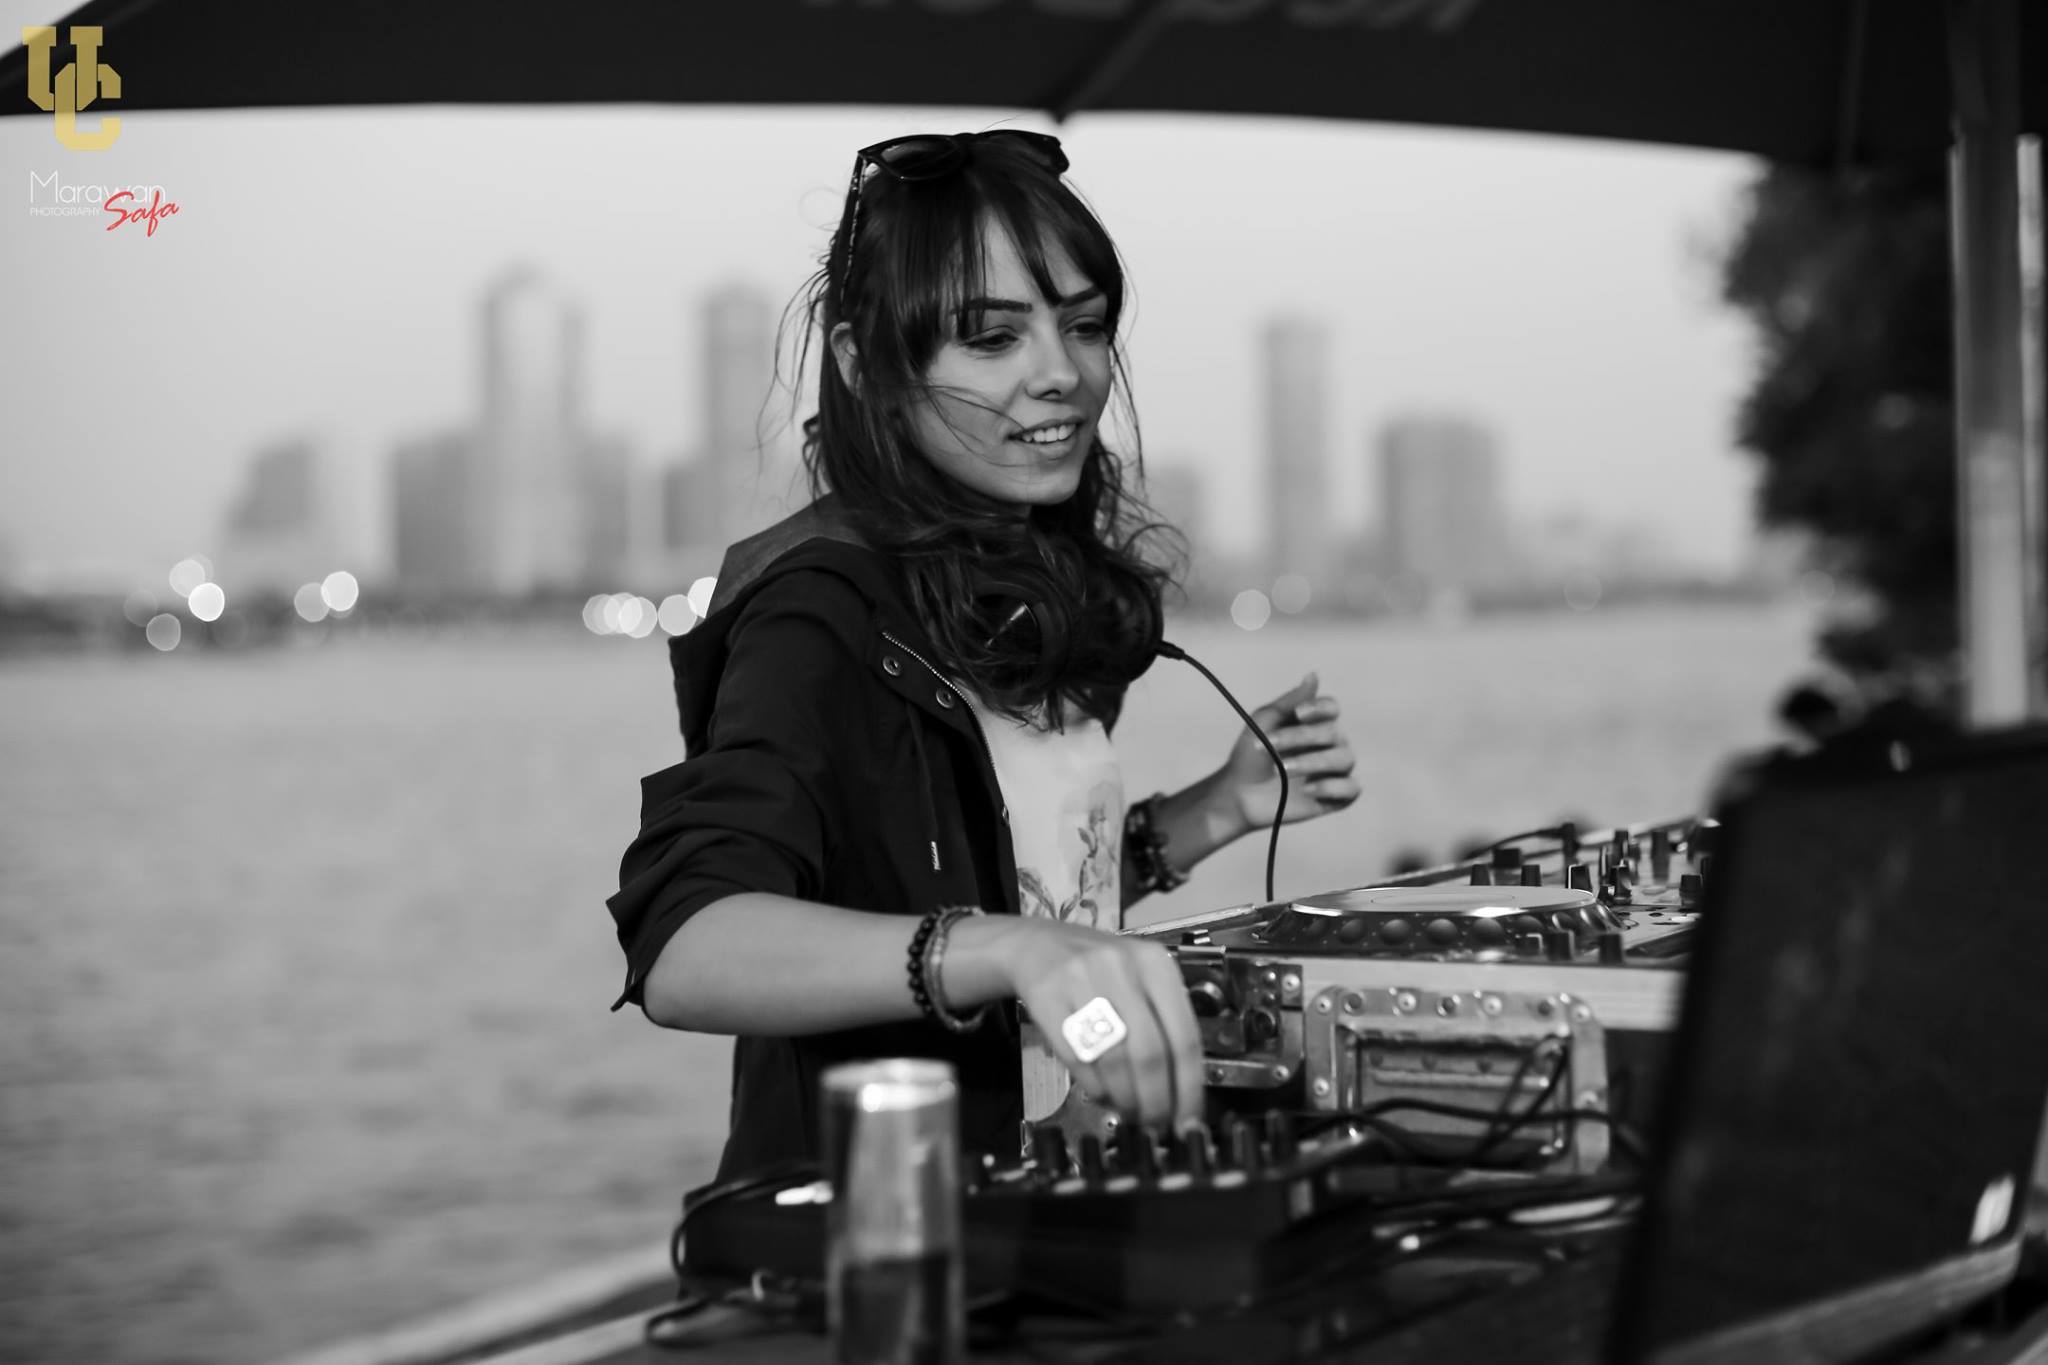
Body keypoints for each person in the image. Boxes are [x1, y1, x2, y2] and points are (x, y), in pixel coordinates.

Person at [606, 129, 1359, 1183]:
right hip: (879, 1220)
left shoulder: (1020, 588)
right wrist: (1004, 952)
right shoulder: (818, 610)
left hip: (1049, 1198)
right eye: (993, 338)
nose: (1061, 374)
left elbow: (1026, 892)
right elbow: (689, 947)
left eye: (1084, 326)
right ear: (868, 365)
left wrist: (1215, 809)